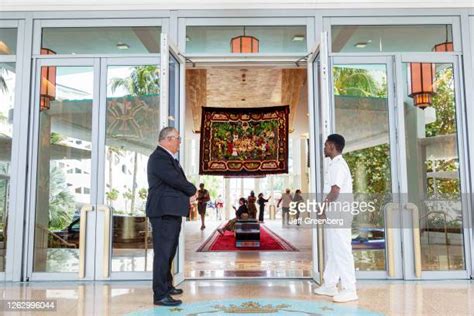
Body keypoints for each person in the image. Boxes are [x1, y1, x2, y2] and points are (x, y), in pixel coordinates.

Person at [146, 127, 197, 307]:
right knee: (163, 254)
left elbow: (173, 183)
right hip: (163, 212)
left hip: (170, 211)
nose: (179, 142)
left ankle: (167, 286)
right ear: (168, 139)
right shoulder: (159, 157)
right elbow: (175, 180)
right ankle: (160, 295)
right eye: (177, 138)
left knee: (169, 252)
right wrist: (193, 190)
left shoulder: (167, 158)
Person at [314, 134, 358, 303]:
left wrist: (322, 208)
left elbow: (335, 191)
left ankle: (349, 288)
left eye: (326, 145)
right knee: (333, 250)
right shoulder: (334, 164)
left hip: (339, 213)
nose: (324, 148)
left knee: (342, 250)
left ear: (332, 146)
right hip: (335, 213)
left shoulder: (338, 166)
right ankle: (330, 284)